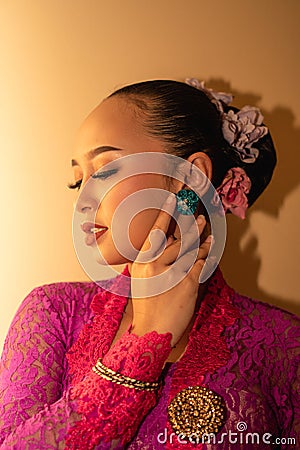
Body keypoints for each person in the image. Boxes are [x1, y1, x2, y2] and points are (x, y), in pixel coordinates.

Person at [0, 79, 299, 450]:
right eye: (77, 182)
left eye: (106, 170)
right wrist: (147, 339)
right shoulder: (52, 313)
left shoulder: (284, 343)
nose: (84, 200)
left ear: (190, 177)